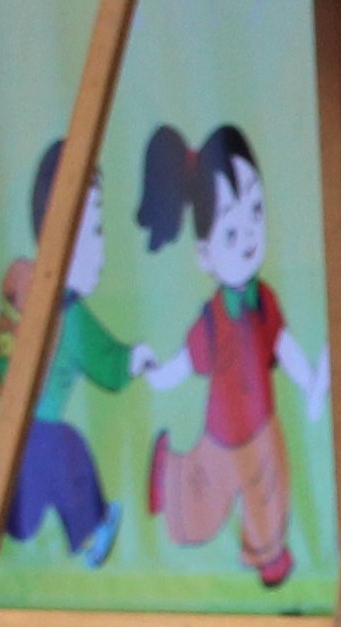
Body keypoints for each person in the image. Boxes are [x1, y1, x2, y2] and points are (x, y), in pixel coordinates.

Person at [133, 123, 324, 590]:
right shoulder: (214, 318)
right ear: (205, 255)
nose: (250, 236)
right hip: (220, 435)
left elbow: (284, 346)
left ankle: (269, 554)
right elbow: (185, 360)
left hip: (264, 425)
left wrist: (310, 382)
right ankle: (169, 475)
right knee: (203, 510)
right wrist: (158, 375)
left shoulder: (266, 301)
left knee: (271, 490)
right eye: (232, 230)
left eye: (256, 212)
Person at [0, 145, 135, 567]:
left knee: (22, 513)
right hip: (34, 430)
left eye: (97, 229)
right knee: (68, 450)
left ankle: (16, 524)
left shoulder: (27, 291)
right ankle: (90, 534)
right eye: (94, 231)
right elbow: (109, 365)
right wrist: (137, 359)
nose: (100, 246)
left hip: (15, 433)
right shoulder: (65, 311)